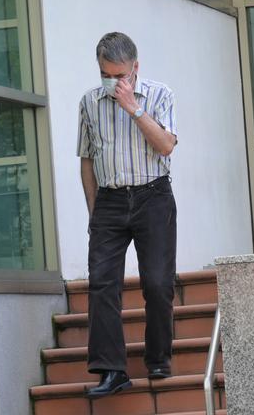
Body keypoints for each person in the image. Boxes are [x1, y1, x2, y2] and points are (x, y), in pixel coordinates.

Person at [77, 32, 178, 398]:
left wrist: (133, 107)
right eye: (107, 75)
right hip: (109, 200)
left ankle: (158, 358)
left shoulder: (159, 94)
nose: (115, 83)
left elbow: (166, 144)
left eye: (121, 75)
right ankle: (111, 370)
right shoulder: (89, 102)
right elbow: (86, 160)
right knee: (102, 284)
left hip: (154, 196)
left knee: (157, 282)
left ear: (136, 68)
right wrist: (94, 212)